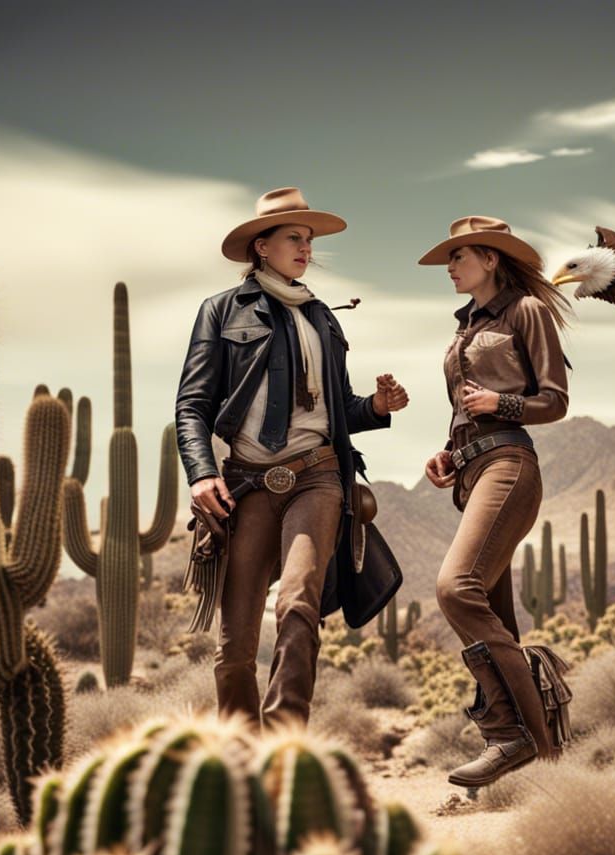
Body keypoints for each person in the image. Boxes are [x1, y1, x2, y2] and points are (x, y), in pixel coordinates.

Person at [176, 187, 408, 730]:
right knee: (235, 643)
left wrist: (376, 406)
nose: (306, 248)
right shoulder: (220, 311)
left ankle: (285, 742)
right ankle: (241, 751)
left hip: (317, 476)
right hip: (246, 485)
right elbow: (192, 405)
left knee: (298, 605)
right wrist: (201, 474)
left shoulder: (323, 318)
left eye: (309, 240)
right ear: (261, 246)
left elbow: (339, 408)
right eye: (293, 238)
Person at [419, 216, 571, 787]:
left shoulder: (526, 311)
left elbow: (555, 400)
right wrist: (448, 454)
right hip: (473, 469)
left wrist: (501, 404)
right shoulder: (466, 326)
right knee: (496, 621)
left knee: (456, 589)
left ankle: (510, 734)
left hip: (510, 466)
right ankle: (550, 775)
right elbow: (465, 411)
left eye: (459, 256)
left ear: (490, 259)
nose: (450, 267)